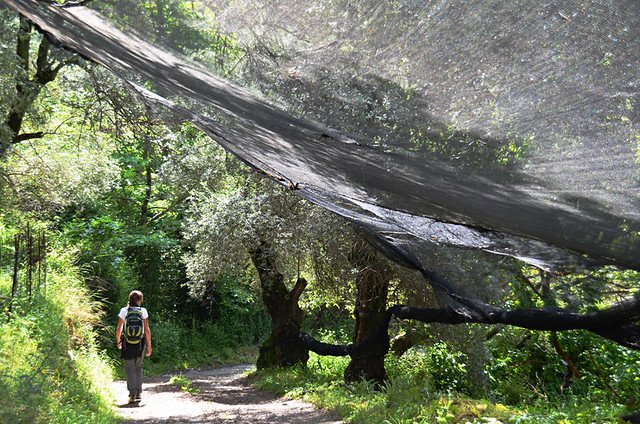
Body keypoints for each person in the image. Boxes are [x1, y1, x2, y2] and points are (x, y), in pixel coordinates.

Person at [116, 290, 152, 404]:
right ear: (139, 300)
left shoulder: (124, 311)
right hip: (140, 343)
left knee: (129, 368)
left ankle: (132, 393)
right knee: (138, 367)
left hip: (127, 343)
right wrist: (149, 346)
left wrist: (118, 342)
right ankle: (139, 393)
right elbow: (146, 330)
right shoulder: (143, 311)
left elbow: (119, 329)